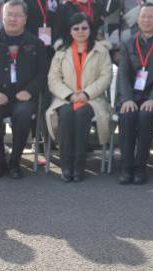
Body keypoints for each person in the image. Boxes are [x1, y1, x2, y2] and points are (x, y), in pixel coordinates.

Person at [0, 0, 48, 180]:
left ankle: (15, 161)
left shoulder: (36, 43)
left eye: (17, 15)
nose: (13, 19)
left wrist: (29, 91)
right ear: (3, 17)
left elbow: (43, 73)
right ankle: (0, 162)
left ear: (25, 19)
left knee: (23, 115)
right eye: (9, 15)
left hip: (24, 96)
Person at [46, 12, 113, 182]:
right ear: (70, 31)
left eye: (84, 28)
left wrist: (86, 94)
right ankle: (66, 165)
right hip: (65, 98)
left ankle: (79, 165)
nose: (80, 31)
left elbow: (105, 77)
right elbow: (53, 79)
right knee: (67, 114)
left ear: (90, 30)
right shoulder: (61, 51)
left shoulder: (101, 51)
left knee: (82, 114)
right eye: (76, 28)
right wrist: (70, 95)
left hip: (93, 98)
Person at [115, 3, 153, 185]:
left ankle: (140, 167)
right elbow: (123, 73)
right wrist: (126, 99)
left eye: (150, 17)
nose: (146, 20)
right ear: (138, 20)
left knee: (146, 116)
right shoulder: (128, 42)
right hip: (131, 96)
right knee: (127, 115)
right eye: (143, 16)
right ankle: (126, 167)